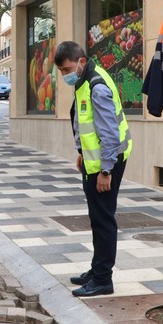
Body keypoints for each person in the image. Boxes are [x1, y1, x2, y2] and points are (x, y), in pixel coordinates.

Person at [54, 41, 133, 298]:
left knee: (103, 221)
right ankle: (96, 269)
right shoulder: (84, 81)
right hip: (94, 161)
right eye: (61, 71)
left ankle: (102, 279)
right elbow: (82, 120)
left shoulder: (96, 86)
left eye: (67, 69)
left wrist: (106, 171)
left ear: (82, 61)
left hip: (107, 163)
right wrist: (80, 152)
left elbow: (109, 133)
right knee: (97, 219)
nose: (65, 75)